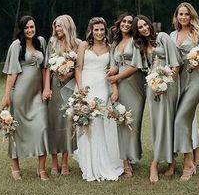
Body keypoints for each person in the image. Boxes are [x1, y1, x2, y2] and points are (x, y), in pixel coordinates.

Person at [132, 15, 182, 183]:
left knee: (167, 122)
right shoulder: (141, 46)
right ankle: (169, 161)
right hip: (152, 88)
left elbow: (176, 65)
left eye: (145, 24)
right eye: (140, 27)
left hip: (168, 87)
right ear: (137, 31)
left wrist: (166, 83)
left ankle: (159, 163)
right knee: (156, 125)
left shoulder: (163, 37)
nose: (144, 28)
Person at [74, 17, 123, 181]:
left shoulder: (110, 47)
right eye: (96, 30)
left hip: (102, 87)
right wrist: (80, 89)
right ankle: (88, 164)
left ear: (105, 30)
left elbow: (112, 71)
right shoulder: (83, 45)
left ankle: (101, 163)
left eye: (102, 29)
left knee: (98, 124)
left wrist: (114, 88)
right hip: (85, 86)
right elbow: (78, 68)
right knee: (85, 122)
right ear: (91, 30)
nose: (99, 33)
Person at [1, 15, 49, 181]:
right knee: (17, 130)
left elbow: (45, 68)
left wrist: (47, 88)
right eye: (26, 28)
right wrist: (7, 95)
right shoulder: (16, 45)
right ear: (22, 30)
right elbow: (12, 72)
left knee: (42, 127)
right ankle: (15, 167)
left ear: (35, 27)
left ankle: (41, 169)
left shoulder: (41, 42)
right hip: (21, 94)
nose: (30, 30)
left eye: (32, 27)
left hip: (39, 95)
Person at [170, 2, 199, 181]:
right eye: (181, 14)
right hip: (177, 82)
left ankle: (188, 163)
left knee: (180, 120)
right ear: (176, 16)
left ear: (191, 16)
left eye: (186, 14)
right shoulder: (172, 35)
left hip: (194, 80)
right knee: (189, 119)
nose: (184, 17)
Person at [107, 13, 146, 177]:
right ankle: (125, 162)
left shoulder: (135, 42)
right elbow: (111, 68)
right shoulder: (115, 43)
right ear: (119, 23)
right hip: (120, 87)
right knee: (121, 123)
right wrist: (114, 88)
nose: (127, 24)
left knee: (134, 124)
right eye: (124, 21)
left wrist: (117, 76)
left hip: (135, 85)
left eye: (130, 22)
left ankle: (132, 156)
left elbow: (136, 66)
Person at [43, 15, 80, 176]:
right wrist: (46, 88)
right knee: (53, 124)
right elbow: (46, 67)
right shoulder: (52, 42)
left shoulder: (77, 44)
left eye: (60, 26)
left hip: (70, 88)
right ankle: (54, 162)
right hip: (54, 87)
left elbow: (79, 68)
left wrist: (69, 74)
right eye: (55, 26)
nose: (57, 29)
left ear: (67, 26)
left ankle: (65, 162)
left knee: (68, 123)